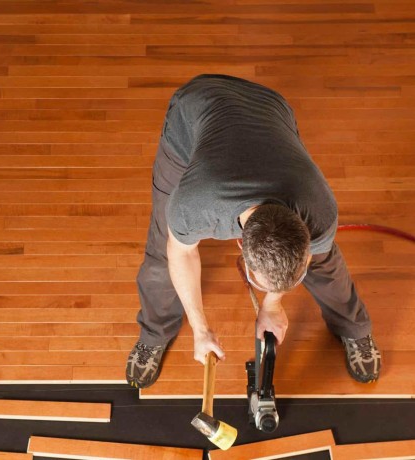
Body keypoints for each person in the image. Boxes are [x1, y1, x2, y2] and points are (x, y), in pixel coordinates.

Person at [125, 74, 381, 389]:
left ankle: (354, 328)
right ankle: (154, 332)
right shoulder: (196, 204)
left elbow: (307, 258)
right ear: (239, 246)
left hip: (268, 105)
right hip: (196, 108)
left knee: (326, 258)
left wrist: (273, 305)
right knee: (162, 248)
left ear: (302, 230)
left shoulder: (318, 208)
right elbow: (180, 253)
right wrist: (200, 330)